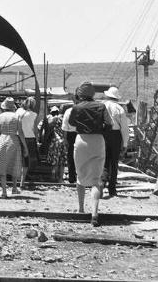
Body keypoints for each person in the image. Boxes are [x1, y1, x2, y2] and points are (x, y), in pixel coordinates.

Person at [68, 82, 112, 227]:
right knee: (96, 179)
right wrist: (101, 131)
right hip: (97, 141)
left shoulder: (76, 107)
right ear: (93, 94)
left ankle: (81, 209)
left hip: (81, 140)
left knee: (80, 174)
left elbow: (71, 122)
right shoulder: (101, 106)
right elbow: (109, 124)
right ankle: (94, 214)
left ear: (80, 95)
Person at [0, 97, 28, 197]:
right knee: (15, 164)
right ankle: (14, 188)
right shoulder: (17, 116)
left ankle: (4, 191)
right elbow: (21, 132)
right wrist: (25, 146)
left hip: (2, 139)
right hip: (14, 139)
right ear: (13, 107)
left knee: (2, 165)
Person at [102, 86, 130, 197]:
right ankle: (112, 189)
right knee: (113, 163)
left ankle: (101, 181)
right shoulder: (119, 109)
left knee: (103, 160)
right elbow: (124, 128)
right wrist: (125, 143)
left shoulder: (102, 106)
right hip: (115, 135)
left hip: (103, 135)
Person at [15, 96, 40, 189]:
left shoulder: (18, 112)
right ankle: (22, 181)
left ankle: (16, 179)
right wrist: (37, 140)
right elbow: (35, 129)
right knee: (26, 162)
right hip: (30, 138)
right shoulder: (34, 115)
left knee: (18, 159)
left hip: (18, 136)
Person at [45, 104, 68, 183]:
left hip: (55, 141)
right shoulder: (65, 118)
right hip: (63, 140)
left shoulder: (53, 118)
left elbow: (47, 126)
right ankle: (60, 179)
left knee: (55, 161)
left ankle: (54, 177)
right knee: (62, 161)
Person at [61, 98, 78, 184]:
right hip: (79, 134)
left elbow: (64, 127)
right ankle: (78, 177)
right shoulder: (83, 111)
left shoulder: (68, 111)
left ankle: (72, 177)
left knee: (71, 156)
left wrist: (65, 139)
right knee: (79, 156)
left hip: (71, 135)